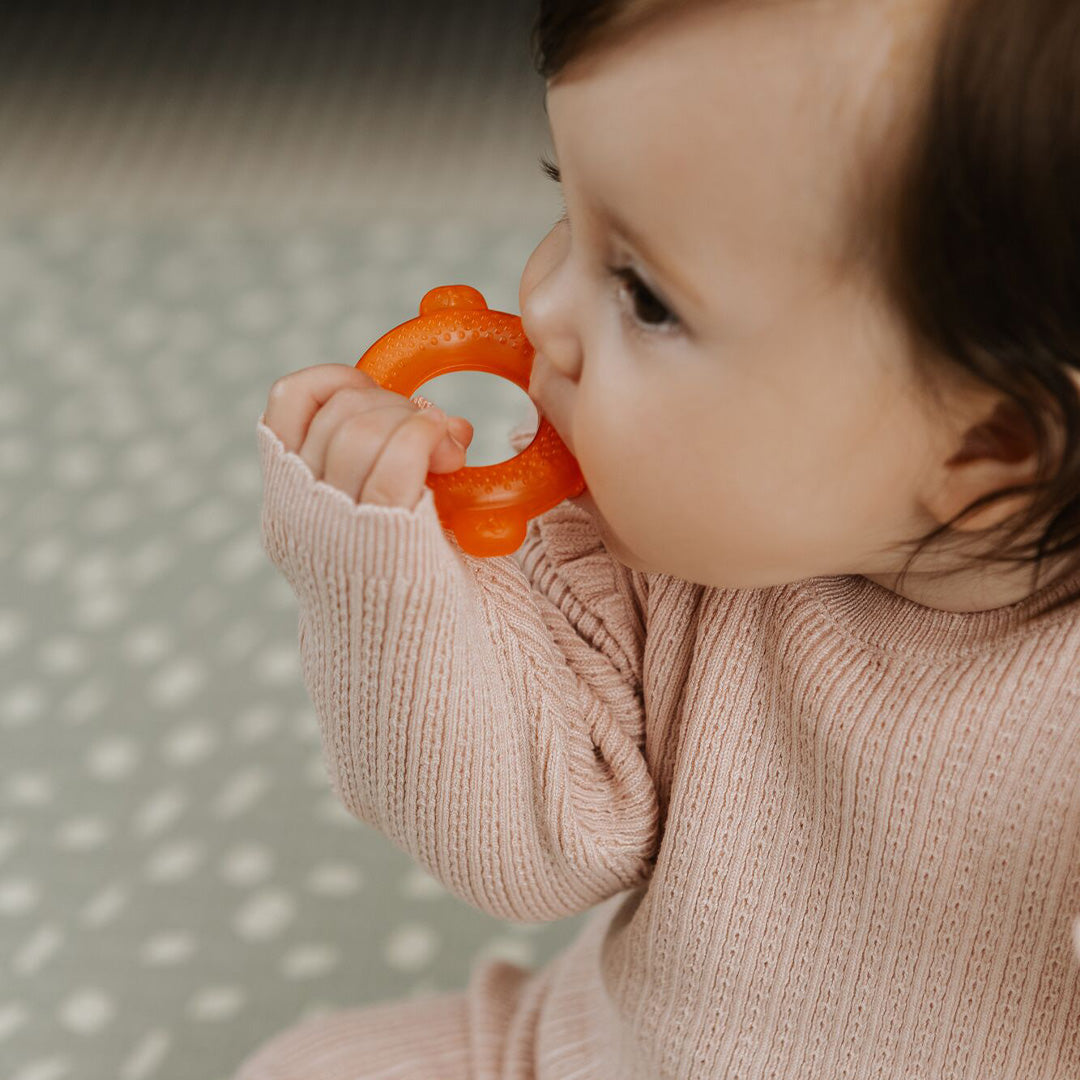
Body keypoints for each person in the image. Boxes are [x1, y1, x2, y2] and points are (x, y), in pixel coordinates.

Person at [234, 0, 1080, 1075]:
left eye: (642, 295)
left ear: (989, 445)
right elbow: (523, 850)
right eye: (566, 207)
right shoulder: (658, 556)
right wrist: (381, 567)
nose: (543, 309)